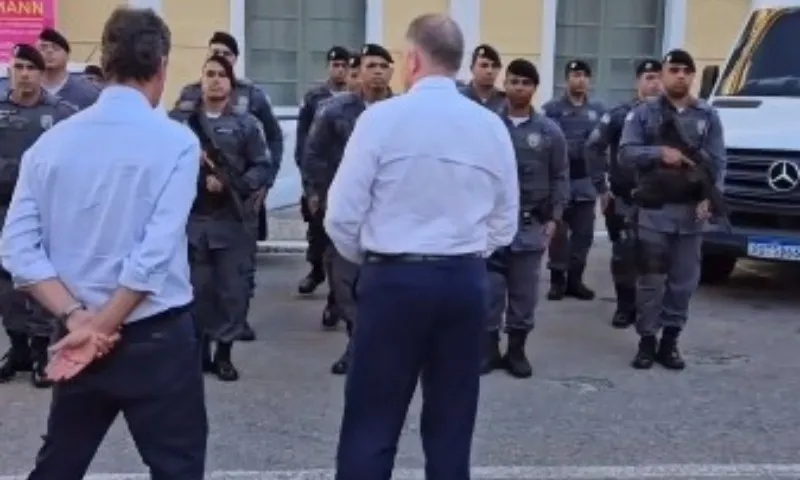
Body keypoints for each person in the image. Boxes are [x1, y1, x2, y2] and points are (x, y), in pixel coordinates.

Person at [1, 7, 207, 478]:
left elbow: (17, 250)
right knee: (177, 468)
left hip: (76, 329)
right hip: (153, 335)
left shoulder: (51, 143)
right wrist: (101, 328)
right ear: (162, 67)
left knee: (59, 467)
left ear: (106, 64)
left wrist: (79, 320)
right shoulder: (175, 142)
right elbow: (154, 254)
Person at [327, 14, 518, 479]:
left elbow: (341, 216)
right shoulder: (490, 126)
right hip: (463, 282)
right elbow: (505, 221)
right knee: (452, 425)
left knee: (371, 422)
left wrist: (373, 257)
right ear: (459, 62)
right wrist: (464, 251)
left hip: (394, 278)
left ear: (411, 59)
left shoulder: (380, 120)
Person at [619, 49, 726, 370]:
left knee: (683, 282)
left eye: (686, 71)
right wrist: (658, 153)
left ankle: (670, 342)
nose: (680, 75)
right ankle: (647, 341)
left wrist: (711, 198)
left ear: (693, 76)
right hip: (654, 212)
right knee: (651, 281)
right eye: (674, 69)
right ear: (663, 75)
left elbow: (718, 162)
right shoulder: (643, 114)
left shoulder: (708, 117)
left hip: (690, 214)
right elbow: (625, 153)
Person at [175, 30, 284, 342]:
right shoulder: (183, 113)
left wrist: (256, 187)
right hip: (194, 214)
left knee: (234, 283)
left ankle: (227, 343)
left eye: (222, 72)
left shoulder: (248, 114)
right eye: (209, 72)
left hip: (234, 210)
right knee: (197, 286)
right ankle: (201, 349)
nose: (215, 79)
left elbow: (266, 152)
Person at [305, 43, 394, 375]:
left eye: (383, 65)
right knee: (344, 282)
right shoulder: (335, 110)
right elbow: (313, 153)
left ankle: (373, 347)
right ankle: (357, 343)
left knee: (383, 283)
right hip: (345, 210)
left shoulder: (401, 111)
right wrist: (316, 192)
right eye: (371, 65)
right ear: (360, 70)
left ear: (391, 71)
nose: (377, 71)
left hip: (386, 212)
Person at [484, 59, 568, 379]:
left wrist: (555, 218)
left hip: (531, 223)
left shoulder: (549, 132)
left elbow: (561, 175)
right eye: (514, 81)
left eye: (526, 83)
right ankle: (488, 349)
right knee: (490, 290)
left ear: (535, 88)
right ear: (506, 84)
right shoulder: (488, 124)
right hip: (491, 224)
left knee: (523, 292)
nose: (519, 88)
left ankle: (516, 350)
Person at [0, 44, 77, 388]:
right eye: (19, 67)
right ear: (10, 71)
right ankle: (16, 349)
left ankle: (40, 352)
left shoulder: (61, 113)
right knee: (7, 285)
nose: (25, 73)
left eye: (31, 67)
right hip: (3, 208)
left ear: (41, 73)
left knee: (42, 279)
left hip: (45, 211)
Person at [585, 59, 663, 328]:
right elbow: (593, 147)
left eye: (658, 78)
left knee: (655, 258)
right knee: (623, 255)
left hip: (659, 202)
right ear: (638, 82)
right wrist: (601, 187)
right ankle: (625, 306)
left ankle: (650, 311)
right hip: (623, 199)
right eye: (649, 77)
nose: (654, 84)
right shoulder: (619, 115)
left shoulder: (673, 117)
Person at [543, 60, 607, 301]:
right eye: (574, 75)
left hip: (585, 181)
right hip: (561, 180)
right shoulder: (552, 109)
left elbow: (603, 146)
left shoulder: (599, 110)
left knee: (583, 235)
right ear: (566, 79)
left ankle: (575, 280)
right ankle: (557, 281)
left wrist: (602, 185)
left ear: (589, 80)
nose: (579, 79)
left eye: (583, 75)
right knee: (558, 234)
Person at [296, 46, 350, 324]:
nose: (340, 70)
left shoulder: (359, 102)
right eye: (336, 65)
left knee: (339, 248)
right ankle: (315, 270)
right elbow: (305, 142)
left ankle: (335, 302)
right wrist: (309, 184)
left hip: (348, 184)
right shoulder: (316, 97)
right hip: (323, 181)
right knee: (319, 238)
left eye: (345, 65)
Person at [37, 28, 101, 109]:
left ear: (67, 55)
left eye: (56, 48)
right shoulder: (27, 91)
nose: (49, 51)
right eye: (43, 47)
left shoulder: (88, 93)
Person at [458, 44, 505, 110]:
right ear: (472, 68)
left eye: (494, 66)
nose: (490, 71)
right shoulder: (459, 96)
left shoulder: (505, 100)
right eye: (484, 65)